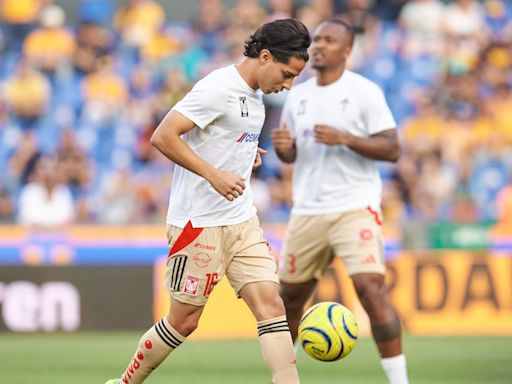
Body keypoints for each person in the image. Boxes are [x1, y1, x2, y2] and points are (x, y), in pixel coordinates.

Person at [104, 18, 311, 384]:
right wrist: (214, 174)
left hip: (241, 219)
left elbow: (223, 137)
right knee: (184, 321)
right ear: (265, 56)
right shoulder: (218, 87)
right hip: (197, 225)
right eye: (286, 73)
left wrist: (245, 152)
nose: (288, 84)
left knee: (272, 306)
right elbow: (163, 136)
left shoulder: (257, 97)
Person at [271, 19, 409, 384]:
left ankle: (399, 380)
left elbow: (393, 148)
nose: (318, 45)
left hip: (354, 206)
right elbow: (291, 153)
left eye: (329, 40)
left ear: (346, 50)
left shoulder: (364, 91)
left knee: (370, 289)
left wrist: (347, 139)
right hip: (307, 210)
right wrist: (286, 151)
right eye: (316, 39)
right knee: (289, 300)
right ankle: (286, 377)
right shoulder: (297, 94)